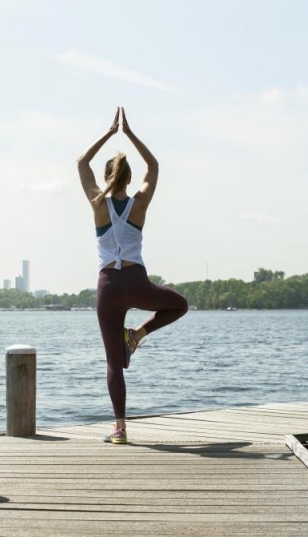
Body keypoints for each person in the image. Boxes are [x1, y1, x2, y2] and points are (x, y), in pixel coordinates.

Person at [77, 107, 188, 444]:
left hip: (108, 288)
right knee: (179, 305)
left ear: (110, 177)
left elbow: (82, 164)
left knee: (113, 362)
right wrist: (131, 134)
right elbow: (153, 167)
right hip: (137, 284)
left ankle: (120, 429)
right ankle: (137, 336)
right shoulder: (139, 202)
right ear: (128, 178)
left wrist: (109, 133)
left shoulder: (98, 203)